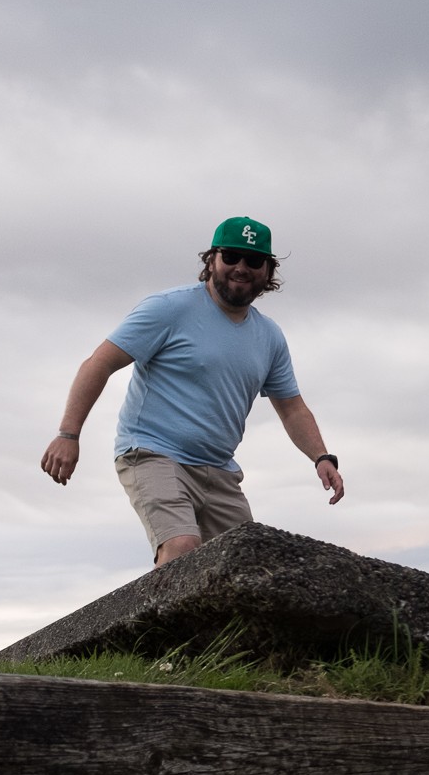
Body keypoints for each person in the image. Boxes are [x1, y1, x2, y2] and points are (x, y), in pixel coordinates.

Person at [38, 216, 345, 566]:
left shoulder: (270, 337)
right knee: (183, 547)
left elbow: (292, 408)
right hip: (153, 452)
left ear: (268, 271)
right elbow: (99, 364)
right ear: (211, 260)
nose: (241, 268)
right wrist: (68, 434)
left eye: (254, 260)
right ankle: (157, 622)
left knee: (245, 566)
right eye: (230, 256)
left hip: (219, 469)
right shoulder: (169, 308)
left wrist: (322, 457)